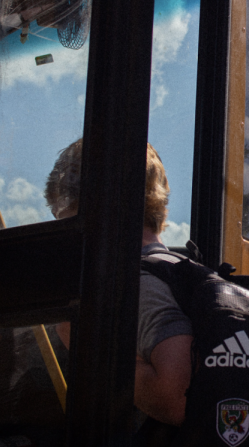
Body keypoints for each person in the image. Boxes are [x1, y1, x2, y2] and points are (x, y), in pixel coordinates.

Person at [44, 138, 193, 428]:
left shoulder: (140, 284)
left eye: (65, 220)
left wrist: (86, 343)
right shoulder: (176, 271)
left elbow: (176, 397)